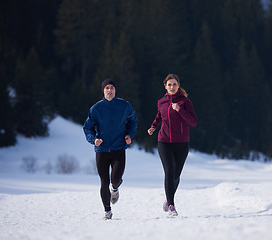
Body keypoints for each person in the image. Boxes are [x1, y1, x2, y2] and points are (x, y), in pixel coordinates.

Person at [83, 78, 137, 220]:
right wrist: (94, 139)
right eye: (107, 88)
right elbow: (87, 127)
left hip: (119, 148)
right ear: (103, 90)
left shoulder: (125, 106)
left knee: (115, 179)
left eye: (112, 87)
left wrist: (129, 134)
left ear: (115, 90)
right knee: (104, 182)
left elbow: (133, 121)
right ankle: (107, 211)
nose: (109, 90)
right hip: (101, 150)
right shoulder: (96, 108)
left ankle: (115, 188)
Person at [147, 74, 197, 217]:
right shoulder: (161, 101)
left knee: (176, 175)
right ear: (165, 86)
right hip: (164, 141)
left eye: (174, 84)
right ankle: (171, 205)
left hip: (182, 143)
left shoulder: (185, 101)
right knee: (169, 170)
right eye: (169, 84)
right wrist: (153, 127)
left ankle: (168, 199)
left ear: (178, 85)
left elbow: (193, 121)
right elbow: (159, 115)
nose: (172, 87)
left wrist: (180, 110)